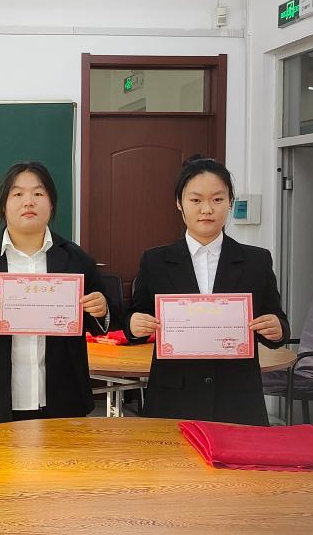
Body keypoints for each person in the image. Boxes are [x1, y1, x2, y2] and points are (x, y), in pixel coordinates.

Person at [0, 161, 115, 428]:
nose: (29, 202)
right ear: (3, 205)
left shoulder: (77, 260)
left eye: (38, 193)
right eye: (18, 194)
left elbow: (105, 319)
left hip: (63, 397)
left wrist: (101, 309)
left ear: (51, 204)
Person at [123, 155, 289, 426]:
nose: (207, 209)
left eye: (217, 199)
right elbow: (132, 317)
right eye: (196, 200)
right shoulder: (155, 261)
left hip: (237, 399)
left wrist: (277, 329)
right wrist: (133, 325)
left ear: (230, 202)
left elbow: (277, 321)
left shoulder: (256, 261)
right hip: (173, 398)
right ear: (179, 203)